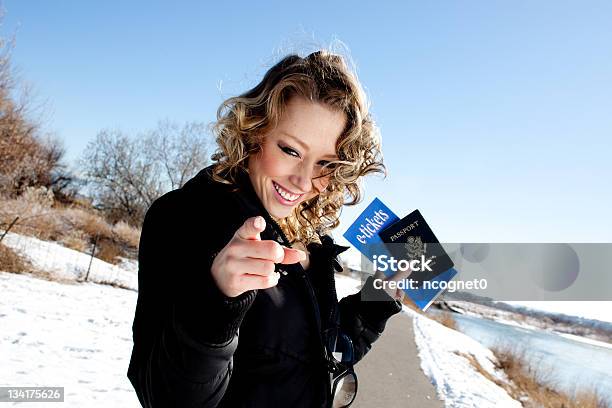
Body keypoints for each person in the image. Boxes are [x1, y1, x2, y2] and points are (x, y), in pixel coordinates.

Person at [127, 49, 404, 408]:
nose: (304, 180)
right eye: (290, 150)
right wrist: (218, 304)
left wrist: (377, 301)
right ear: (255, 130)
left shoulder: (310, 237)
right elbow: (164, 398)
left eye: (325, 162)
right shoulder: (185, 217)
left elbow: (316, 356)